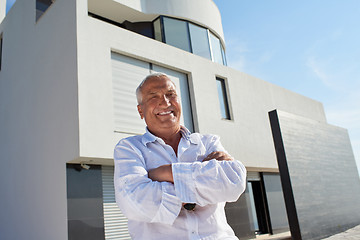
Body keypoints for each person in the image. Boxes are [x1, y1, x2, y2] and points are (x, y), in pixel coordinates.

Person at [114, 73, 247, 240]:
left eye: (171, 95)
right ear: (141, 110)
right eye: (154, 96)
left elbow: (234, 182)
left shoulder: (208, 142)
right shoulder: (129, 148)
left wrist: (162, 173)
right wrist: (204, 175)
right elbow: (135, 202)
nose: (165, 102)